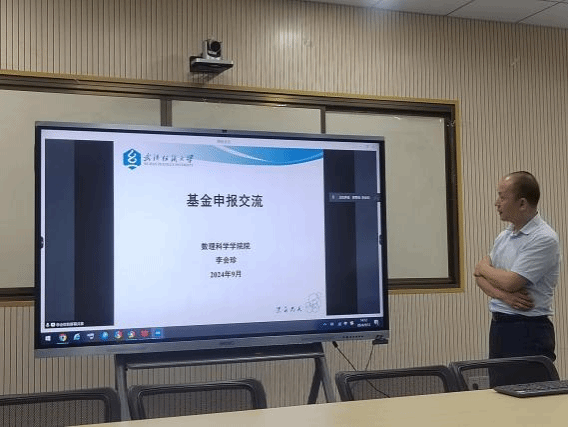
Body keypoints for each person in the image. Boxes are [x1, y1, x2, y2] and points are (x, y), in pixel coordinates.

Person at [474, 171, 560, 363]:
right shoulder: (505, 235)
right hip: (500, 326)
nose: (497, 203)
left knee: (528, 382)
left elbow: (511, 282)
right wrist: (504, 296)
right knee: (498, 381)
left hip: (528, 330)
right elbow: (479, 278)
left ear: (522, 204)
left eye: (502, 197)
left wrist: (484, 268)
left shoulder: (543, 238)